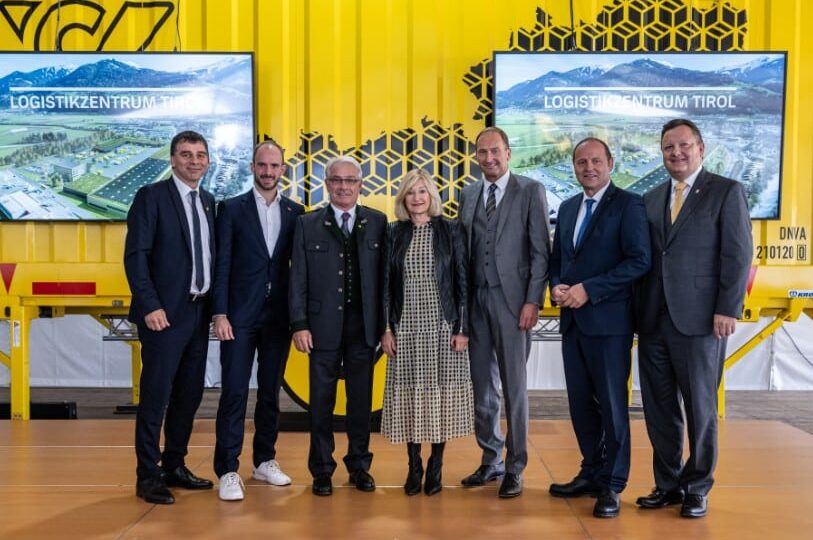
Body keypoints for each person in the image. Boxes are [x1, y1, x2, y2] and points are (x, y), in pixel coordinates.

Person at [636, 118, 753, 518]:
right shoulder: (651, 197)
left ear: (701, 148)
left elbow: (737, 254)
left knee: (701, 409)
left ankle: (698, 487)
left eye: (684, 145)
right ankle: (668, 485)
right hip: (653, 320)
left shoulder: (726, 191)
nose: (676, 153)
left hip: (702, 321)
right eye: (668, 147)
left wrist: (728, 308)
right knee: (659, 409)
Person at [548, 137, 651, 518]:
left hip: (609, 325)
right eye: (581, 162)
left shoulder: (629, 204)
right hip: (573, 323)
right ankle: (591, 471)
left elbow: (639, 261)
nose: (588, 168)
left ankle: (613, 483)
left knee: (612, 405)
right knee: (580, 404)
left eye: (595, 161)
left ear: (610, 163)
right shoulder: (568, 206)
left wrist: (589, 289)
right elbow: (559, 259)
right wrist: (556, 285)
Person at [458, 126, 551, 498]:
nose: (489, 158)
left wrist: (533, 301)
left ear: (508, 153)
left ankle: (516, 466)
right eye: (482, 152)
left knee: (514, 388)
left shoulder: (530, 190)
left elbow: (541, 252)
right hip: (475, 302)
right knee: (482, 388)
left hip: (513, 303)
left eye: (495, 151)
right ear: (476, 156)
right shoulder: (468, 193)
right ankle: (491, 458)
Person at [124, 130, 216, 504]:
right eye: (186, 154)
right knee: (156, 397)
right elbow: (136, 256)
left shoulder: (208, 201)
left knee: (188, 396)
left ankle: (174, 465)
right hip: (163, 315)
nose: (194, 161)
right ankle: (148, 475)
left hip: (198, 313)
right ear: (173, 159)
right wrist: (150, 305)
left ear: (208, 160)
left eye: (200, 154)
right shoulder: (151, 196)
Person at [211, 140, 305, 501]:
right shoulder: (231, 208)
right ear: (252, 167)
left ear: (283, 169)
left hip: (278, 318)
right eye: (262, 165)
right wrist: (220, 312)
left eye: (274, 166)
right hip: (238, 317)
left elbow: (299, 271)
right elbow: (221, 264)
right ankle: (227, 469)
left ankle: (264, 460)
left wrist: (299, 318)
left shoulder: (296, 212)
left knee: (269, 393)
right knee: (234, 392)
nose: (268, 171)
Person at [289, 155, 387, 496]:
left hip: (364, 329)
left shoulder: (378, 222)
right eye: (337, 180)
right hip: (321, 328)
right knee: (321, 402)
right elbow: (297, 278)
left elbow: (384, 281)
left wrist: (385, 326)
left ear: (360, 185)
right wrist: (300, 324)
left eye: (350, 180)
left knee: (360, 402)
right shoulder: (307, 224)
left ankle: (359, 466)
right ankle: (321, 470)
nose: (343, 186)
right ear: (327, 184)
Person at [381, 169, 474, 496]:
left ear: (431, 195)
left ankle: (436, 465)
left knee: (440, 398)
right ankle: (414, 465)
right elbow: (385, 286)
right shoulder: (393, 232)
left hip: (442, 326)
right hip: (406, 327)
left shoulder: (451, 230)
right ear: (403, 198)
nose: (417, 198)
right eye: (411, 192)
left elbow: (463, 282)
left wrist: (462, 328)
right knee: (409, 396)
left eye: (422, 191)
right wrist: (386, 329)